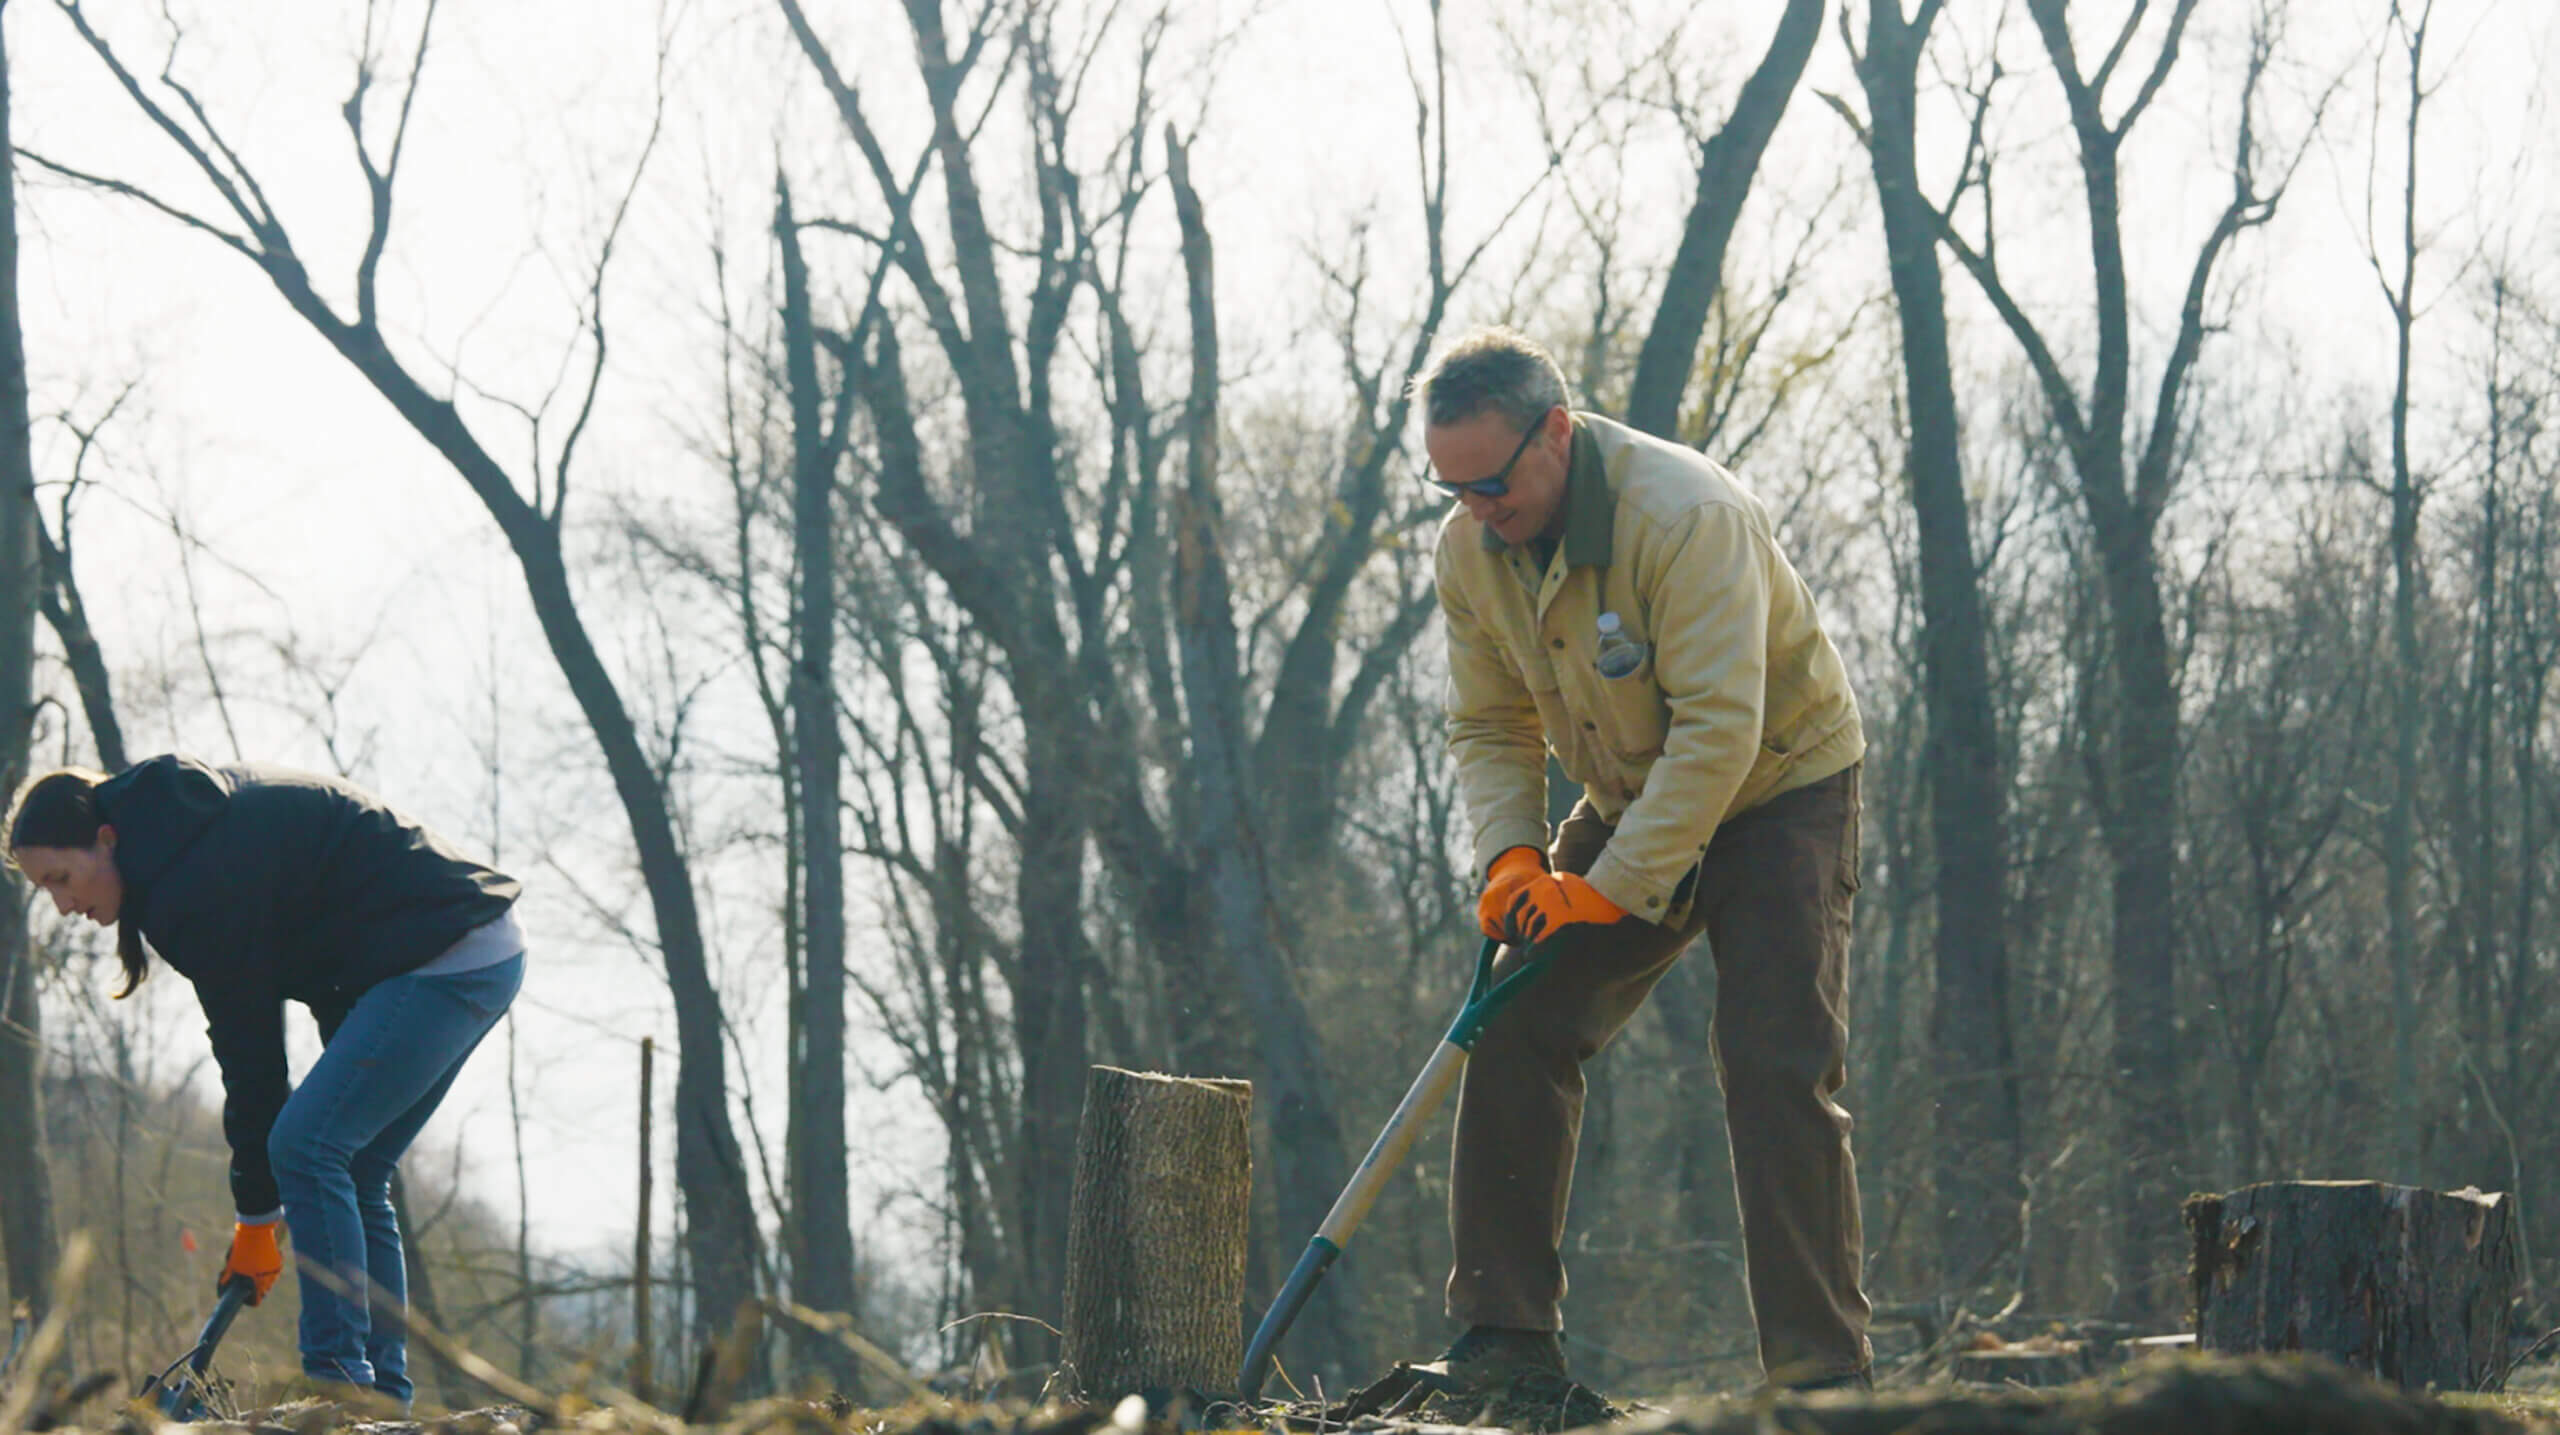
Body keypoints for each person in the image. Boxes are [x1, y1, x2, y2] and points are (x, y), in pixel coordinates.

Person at [1416, 327, 1872, 1391]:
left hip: (1778, 786)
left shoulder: (1684, 514)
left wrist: (1605, 890)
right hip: (1626, 788)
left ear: (1556, 435)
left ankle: (1819, 1382)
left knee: (1772, 1064)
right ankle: (1506, 1342)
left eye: (1489, 481)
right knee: (1515, 1014)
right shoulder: (1468, 548)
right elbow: (1488, 725)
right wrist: (1514, 861)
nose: (1477, 507)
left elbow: (1719, 730)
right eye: (1450, 486)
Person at [7, 755, 525, 1412]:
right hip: (457, 950)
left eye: (62, 877)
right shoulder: (175, 837)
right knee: (353, 1164)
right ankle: (383, 1402)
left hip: (445, 952)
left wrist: (256, 1213)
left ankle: (341, 1387)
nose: (62, 904)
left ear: (105, 839)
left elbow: (250, 1051)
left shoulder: (188, 874)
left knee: (306, 1145)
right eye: (44, 891)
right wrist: (266, 1207)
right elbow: (316, 940)